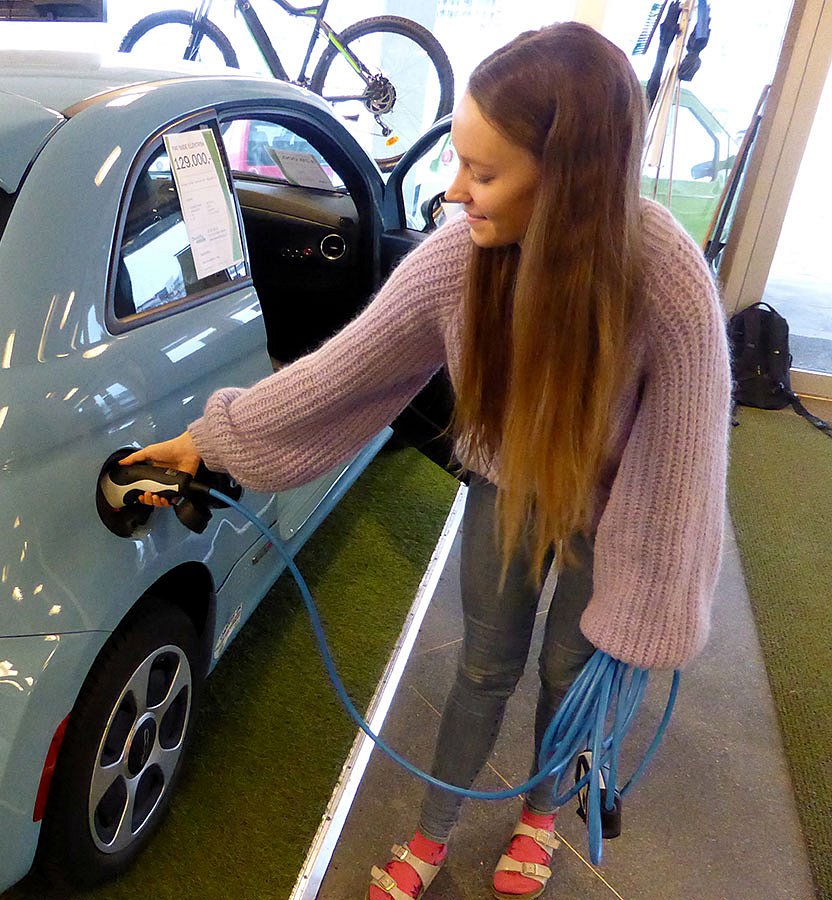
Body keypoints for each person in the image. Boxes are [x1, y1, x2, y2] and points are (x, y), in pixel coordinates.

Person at [120, 21, 729, 900]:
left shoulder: (666, 278)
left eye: (483, 172)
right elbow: (343, 371)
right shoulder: (459, 258)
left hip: (617, 510)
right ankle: (434, 829)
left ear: (569, 180)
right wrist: (207, 440)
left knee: (574, 672)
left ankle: (541, 815)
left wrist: (645, 609)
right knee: (484, 664)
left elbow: (682, 468)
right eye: (458, 161)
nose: (453, 191)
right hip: (507, 485)